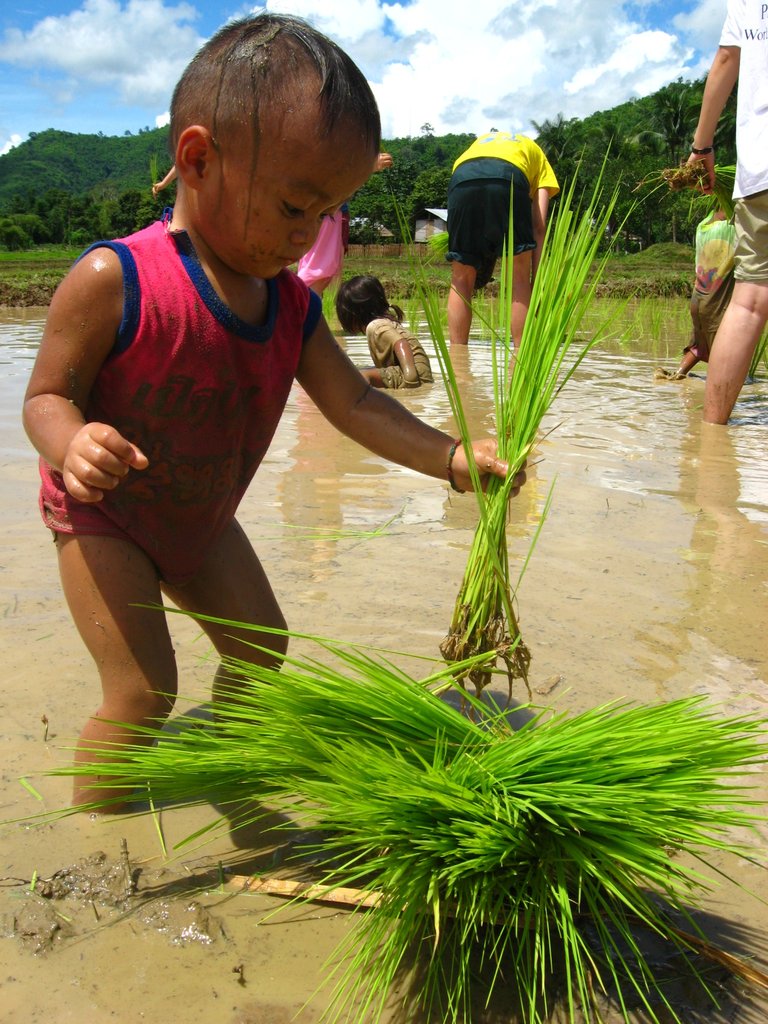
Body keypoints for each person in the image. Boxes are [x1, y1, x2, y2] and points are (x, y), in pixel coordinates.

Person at [21, 13, 523, 809]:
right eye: (295, 206)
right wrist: (75, 441)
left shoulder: (291, 308)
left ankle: (223, 770)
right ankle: (98, 832)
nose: (309, 235)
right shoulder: (114, 279)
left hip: (201, 518)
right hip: (104, 519)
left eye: (327, 214)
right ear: (198, 159)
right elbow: (45, 397)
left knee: (263, 652)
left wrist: (450, 458)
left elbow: (354, 402)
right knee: (144, 691)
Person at [686, 0, 768, 424]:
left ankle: (712, 430)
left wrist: (702, 147)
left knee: (750, 302)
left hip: (760, 168)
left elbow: (725, 59)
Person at [446, 130, 559, 346]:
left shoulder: (479, 143)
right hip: (510, 177)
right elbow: (539, 226)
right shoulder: (537, 154)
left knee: (461, 278)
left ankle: (457, 361)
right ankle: (521, 355)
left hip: (461, 179)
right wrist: (536, 284)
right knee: (519, 276)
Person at [297, 151, 394, 295]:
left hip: (326, 209)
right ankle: (300, 311)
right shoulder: (328, 141)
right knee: (318, 272)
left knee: (323, 272)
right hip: (327, 210)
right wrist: (366, 166)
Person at [656, 208, 736, 380]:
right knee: (721, 352)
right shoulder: (732, 225)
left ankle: (677, 375)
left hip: (698, 299)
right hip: (715, 303)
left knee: (699, 346)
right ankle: (717, 387)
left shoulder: (704, 224)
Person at [336, 275, 434, 389]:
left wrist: (410, 376)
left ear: (353, 313)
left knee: (358, 377)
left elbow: (401, 343)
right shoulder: (385, 322)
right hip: (418, 373)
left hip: (412, 375)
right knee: (363, 371)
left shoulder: (375, 326)